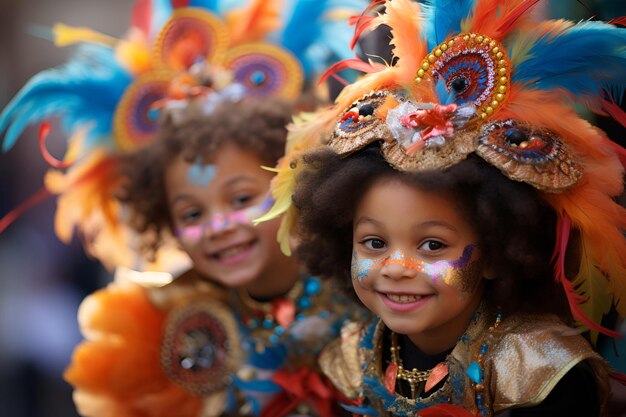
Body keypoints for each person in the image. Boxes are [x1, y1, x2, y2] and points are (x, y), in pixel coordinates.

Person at [0, 0, 367, 416]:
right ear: (165, 222)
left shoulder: (362, 286)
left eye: (242, 198)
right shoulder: (165, 327)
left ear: (289, 180)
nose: (218, 226)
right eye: (192, 214)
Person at [260, 0, 626, 416]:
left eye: (432, 245)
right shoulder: (354, 358)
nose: (395, 266)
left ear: (496, 250)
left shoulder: (539, 372)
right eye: (375, 242)